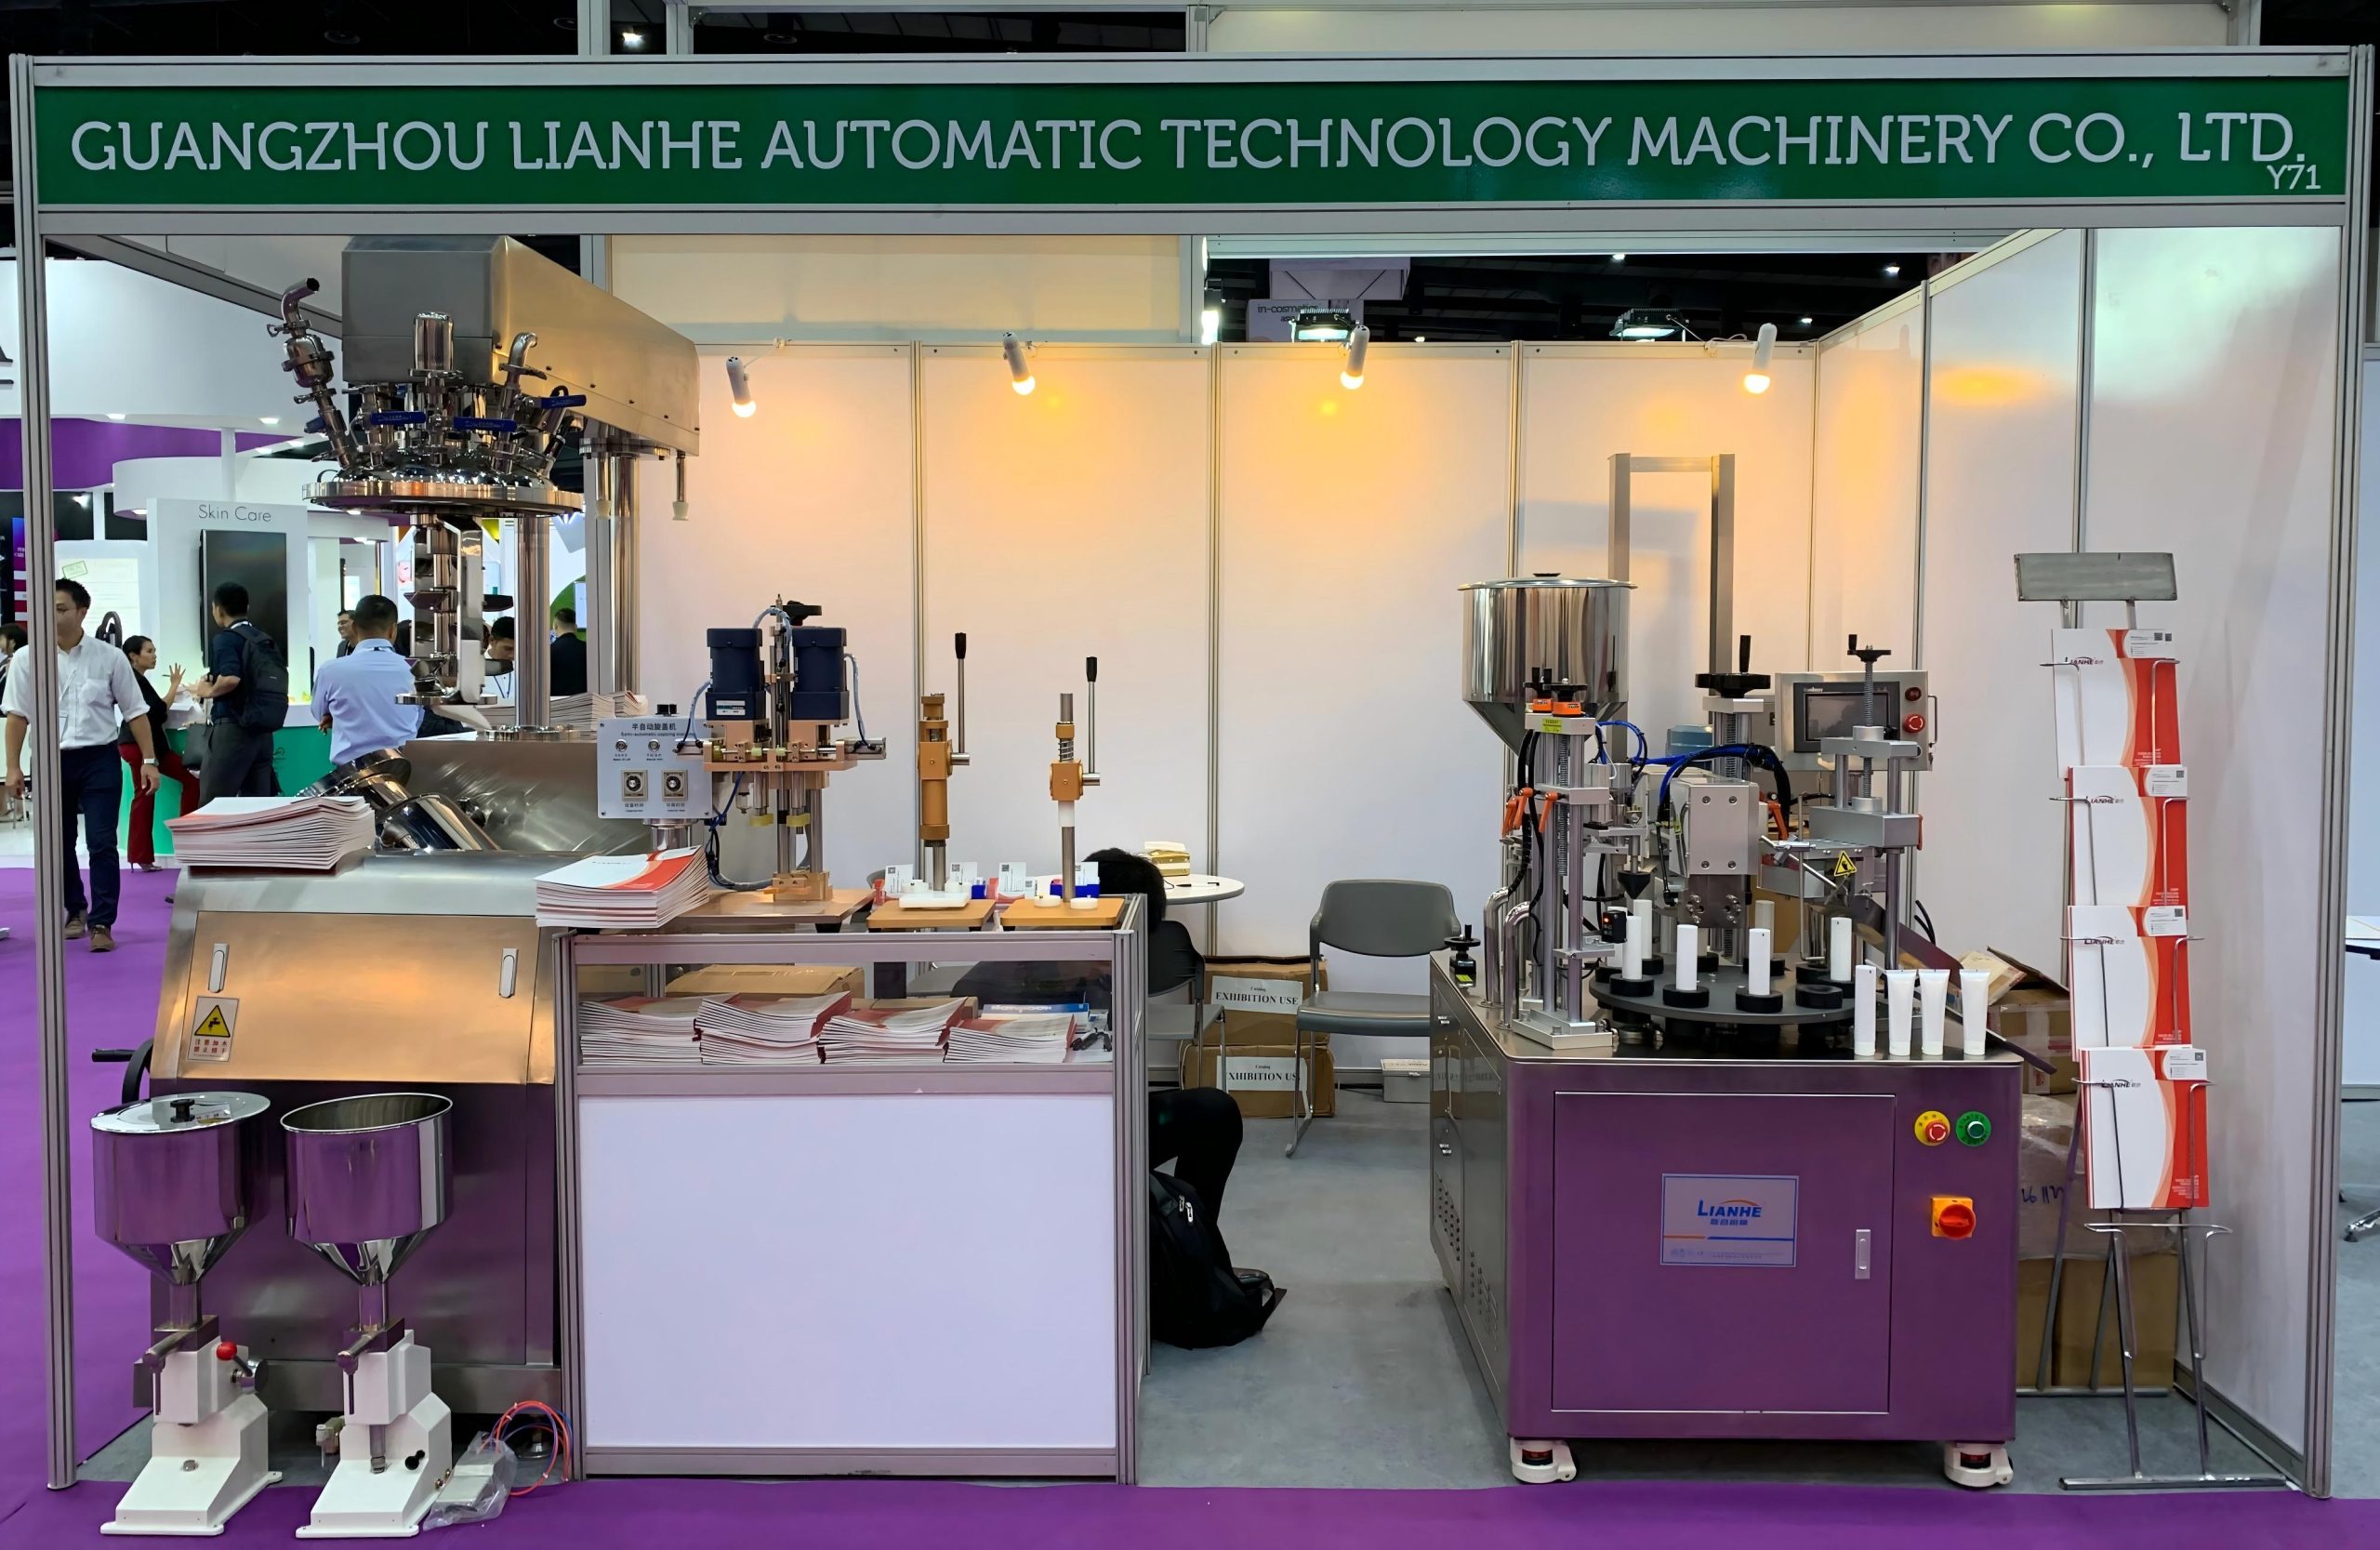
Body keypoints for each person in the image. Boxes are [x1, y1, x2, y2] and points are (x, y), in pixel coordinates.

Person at [1087, 846, 1248, 1261]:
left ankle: (1191, 1251)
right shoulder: (1047, 967)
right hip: (1066, 1133)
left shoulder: (1116, 971)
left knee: (1214, 1112)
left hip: (1115, 1122)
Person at [2, 580, 159, 953]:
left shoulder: (110, 657)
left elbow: (136, 712)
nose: (52, 615)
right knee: (58, 841)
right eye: (47, 608)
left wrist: (149, 760)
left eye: (60, 609)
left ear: (82, 612)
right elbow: (17, 716)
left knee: (102, 841)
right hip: (50, 759)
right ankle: (74, 908)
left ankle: (102, 921)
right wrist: (13, 766)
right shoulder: (26, 658)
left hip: (99, 758)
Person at [183, 582, 283, 803]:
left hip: (233, 729)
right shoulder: (263, 639)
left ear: (218, 610)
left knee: (214, 803)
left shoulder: (226, 638)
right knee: (256, 805)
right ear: (247, 607)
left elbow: (231, 678)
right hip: (263, 732)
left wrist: (207, 691)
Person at [117, 636, 200, 871]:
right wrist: (175, 685)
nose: (154, 656)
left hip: (150, 748)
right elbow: (159, 711)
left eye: (154, 651)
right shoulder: (134, 681)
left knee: (189, 780)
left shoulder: (139, 680)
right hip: (140, 747)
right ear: (134, 656)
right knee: (145, 796)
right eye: (149, 651)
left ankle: (181, 844)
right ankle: (143, 856)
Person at [311, 594, 423, 767]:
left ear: (355, 627)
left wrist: (338, 715)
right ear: (393, 630)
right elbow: (417, 717)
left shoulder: (330, 670)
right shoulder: (415, 669)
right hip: (401, 769)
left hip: (351, 772)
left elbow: (319, 713)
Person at [549, 604, 588, 696]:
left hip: (557, 703)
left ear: (555, 626)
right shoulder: (587, 649)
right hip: (584, 702)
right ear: (575, 626)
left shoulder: (550, 651)